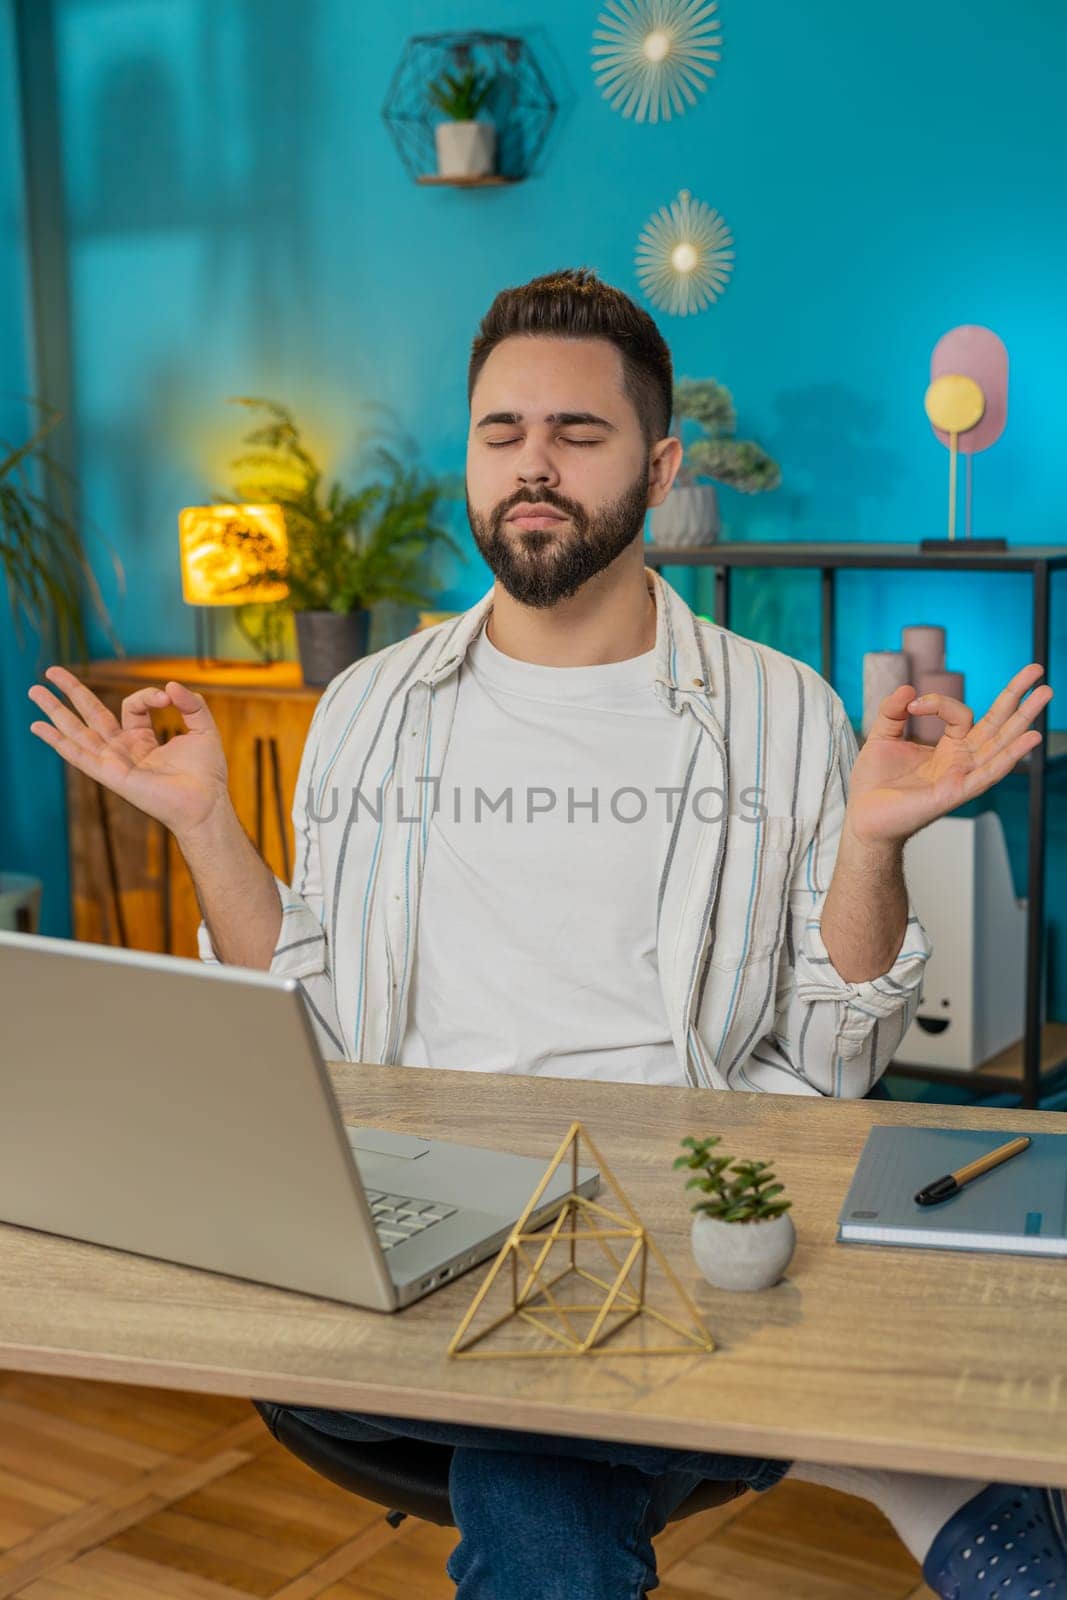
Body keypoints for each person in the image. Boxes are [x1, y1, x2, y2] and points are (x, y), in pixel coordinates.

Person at [28, 268, 1060, 1599]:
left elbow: (834, 1066)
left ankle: (902, 1467)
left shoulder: (787, 714)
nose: (534, 468)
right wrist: (208, 830)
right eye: (502, 434)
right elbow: (315, 1027)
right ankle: (931, 1477)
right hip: (409, 1236)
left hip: (681, 1225)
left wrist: (873, 847)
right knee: (562, 1406)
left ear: (660, 461)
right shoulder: (370, 710)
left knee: (543, 1466)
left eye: (578, 435)